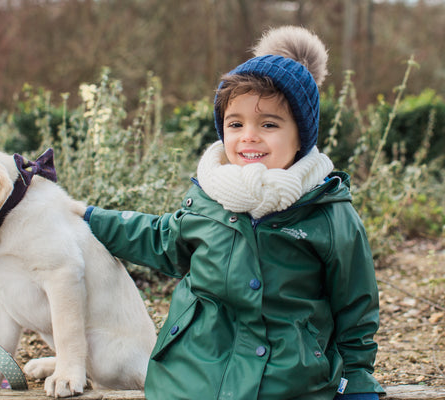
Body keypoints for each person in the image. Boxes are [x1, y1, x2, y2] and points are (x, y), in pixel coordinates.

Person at [81, 26, 385, 400]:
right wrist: (88, 217)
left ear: (302, 136)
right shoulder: (210, 197)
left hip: (288, 381)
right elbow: (161, 238)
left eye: (269, 124)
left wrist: (355, 380)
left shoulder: (327, 213)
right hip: (193, 374)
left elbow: (356, 306)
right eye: (235, 124)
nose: (248, 136)